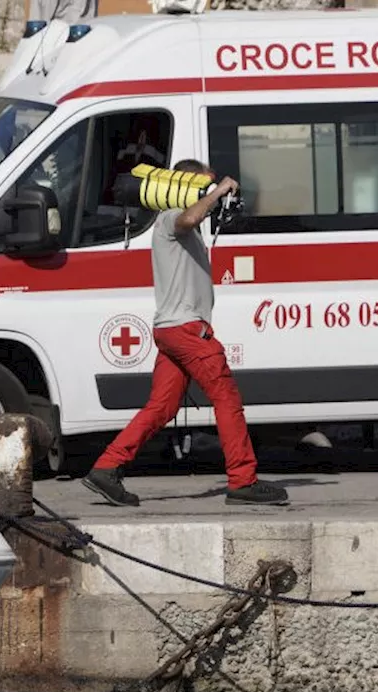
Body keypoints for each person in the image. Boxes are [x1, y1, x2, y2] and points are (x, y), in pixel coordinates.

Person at [82, 159, 288, 507]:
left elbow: (196, 219)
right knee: (226, 398)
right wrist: (218, 189)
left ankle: (107, 467)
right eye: (203, 185)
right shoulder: (170, 219)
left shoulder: (186, 229)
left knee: (161, 407)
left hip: (173, 332)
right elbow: (190, 215)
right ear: (185, 185)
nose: (210, 192)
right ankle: (242, 479)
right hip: (187, 330)